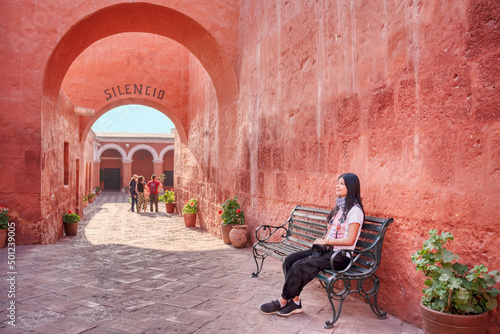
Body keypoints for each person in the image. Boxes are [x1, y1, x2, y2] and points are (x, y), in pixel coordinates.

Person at [259, 173, 364, 317]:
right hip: (327, 251)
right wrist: (323, 241)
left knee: (300, 265)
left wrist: (326, 241)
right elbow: (333, 231)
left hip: (341, 257)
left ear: (351, 187)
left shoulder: (355, 211)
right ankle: (295, 303)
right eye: (338, 182)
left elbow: (350, 240)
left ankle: (282, 301)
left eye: (342, 183)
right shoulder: (341, 207)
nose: (337, 186)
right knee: (290, 260)